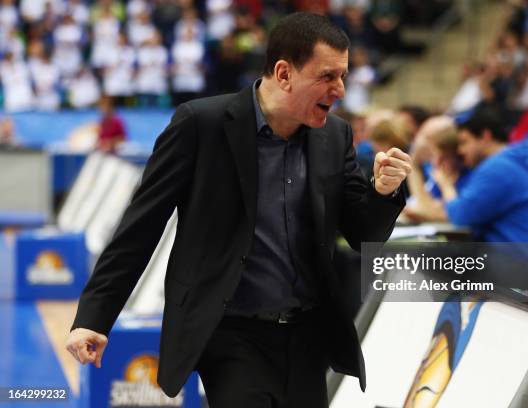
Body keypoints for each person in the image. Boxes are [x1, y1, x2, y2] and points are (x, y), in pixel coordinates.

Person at [65, 12, 411, 408]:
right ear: (283, 73)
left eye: (344, 76)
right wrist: (94, 316)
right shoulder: (201, 124)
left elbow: (363, 234)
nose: (340, 89)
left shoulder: (335, 135)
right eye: (328, 76)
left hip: (307, 336)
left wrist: (383, 193)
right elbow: (140, 227)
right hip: (229, 333)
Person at [408, 104, 528, 242]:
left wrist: (446, 185)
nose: (461, 150)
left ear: (485, 137)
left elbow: (459, 216)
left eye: (464, 142)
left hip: (515, 261)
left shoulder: (498, 168)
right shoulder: (513, 160)